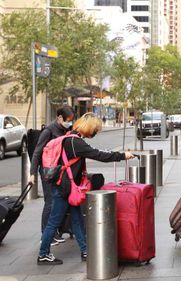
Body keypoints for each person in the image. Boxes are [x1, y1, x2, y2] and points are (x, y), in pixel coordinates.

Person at [37, 113, 135, 265]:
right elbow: (99, 155)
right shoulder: (76, 143)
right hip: (64, 188)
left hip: (69, 188)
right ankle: (43, 254)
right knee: (54, 222)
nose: (95, 133)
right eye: (95, 130)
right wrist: (122, 155)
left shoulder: (71, 137)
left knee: (77, 220)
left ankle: (85, 250)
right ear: (89, 128)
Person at [29, 105, 75, 246]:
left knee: (57, 201)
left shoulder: (65, 129)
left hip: (59, 171)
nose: (69, 123)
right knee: (49, 202)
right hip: (48, 172)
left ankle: (54, 232)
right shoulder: (49, 131)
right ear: (59, 117)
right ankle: (45, 235)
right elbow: (37, 152)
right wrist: (32, 173)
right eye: (68, 120)